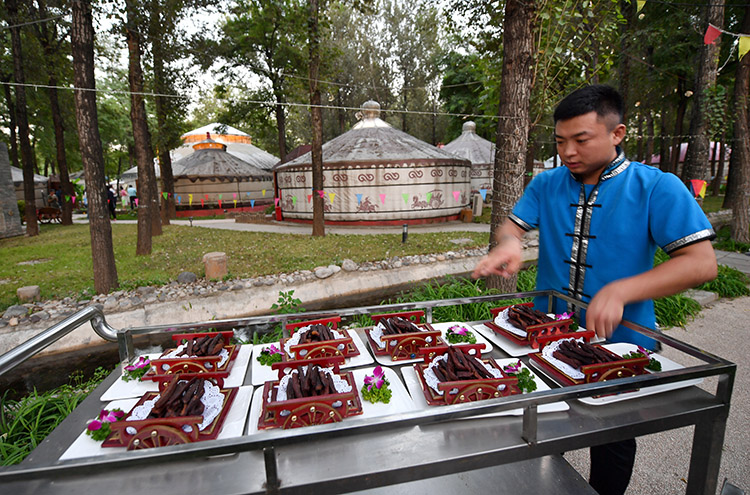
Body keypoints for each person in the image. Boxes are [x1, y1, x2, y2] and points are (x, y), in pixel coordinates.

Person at [473, 85, 717, 495]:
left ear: (617, 133)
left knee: (612, 440)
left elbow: (702, 263)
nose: (568, 151)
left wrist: (622, 291)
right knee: (542, 429)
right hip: (543, 337)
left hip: (620, 343)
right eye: (560, 141)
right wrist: (510, 241)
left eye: (581, 140)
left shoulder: (656, 187)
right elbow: (514, 225)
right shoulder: (547, 184)